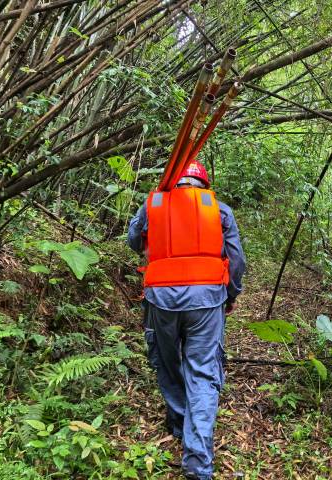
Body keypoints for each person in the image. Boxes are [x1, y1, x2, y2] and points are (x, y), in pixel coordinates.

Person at [127, 160, 245, 480]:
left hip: (160, 300)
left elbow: (134, 241)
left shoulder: (152, 204)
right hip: (207, 302)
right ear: (203, 184)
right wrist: (230, 296)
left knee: (167, 362)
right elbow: (236, 261)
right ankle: (197, 459)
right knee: (203, 371)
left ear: (173, 183)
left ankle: (179, 424)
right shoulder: (219, 210)